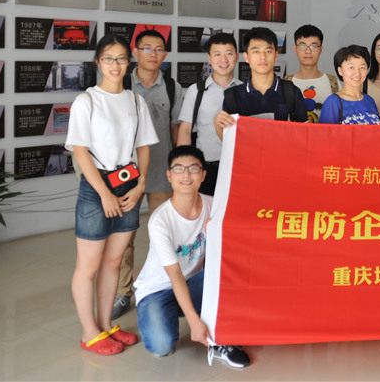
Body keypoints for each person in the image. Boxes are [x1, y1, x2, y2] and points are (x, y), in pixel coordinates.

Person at [65, 34, 158, 355]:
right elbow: (80, 151)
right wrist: (103, 192)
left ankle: (105, 325)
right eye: (108, 58)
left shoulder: (135, 101)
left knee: (113, 261)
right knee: (88, 265)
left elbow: (143, 146)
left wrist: (141, 184)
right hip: (96, 186)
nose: (115, 65)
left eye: (120, 58)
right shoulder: (87, 101)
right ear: (98, 62)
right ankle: (89, 332)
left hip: (128, 183)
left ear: (128, 62)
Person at [133, 145, 250, 368]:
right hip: (158, 289)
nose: (186, 175)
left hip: (193, 282)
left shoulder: (214, 205)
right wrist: (194, 323)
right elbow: (175, 276)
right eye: (178, 169)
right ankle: (169, 312)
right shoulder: (160, 221)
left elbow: (234, 247)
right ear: (169, 176)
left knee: (228, 272)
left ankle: (222, 337)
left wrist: (216, 235)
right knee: (161, 346)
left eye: (193, 169)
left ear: (203, 175)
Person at [112, 29, 182, 320]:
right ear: (135, 52)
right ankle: (121, 292)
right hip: (126, 175)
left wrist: (179, 168)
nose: (153, 54)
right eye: (147, 48)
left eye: (158, 49)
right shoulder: (122, 83)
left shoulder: (173, 87)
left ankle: (160, 287)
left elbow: (176, 130)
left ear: (164, 54)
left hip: (162, 173)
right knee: (123, 236)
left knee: (163, 235)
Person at [176, 32, 241, 196]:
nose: (223, 60)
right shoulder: (196, 91)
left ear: (237, 57)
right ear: (209, 59)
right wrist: (183, 166)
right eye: (217, 54)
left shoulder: (245, 91)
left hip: (238, 167)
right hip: (205, 167)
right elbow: (185, 130)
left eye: (229, 53)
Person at [215, 27, 308, 129]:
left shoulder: (291, 91)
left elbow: (305, 133)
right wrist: (218, 125)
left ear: (276, 56)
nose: (263, 57)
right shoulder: (232, 96)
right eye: (256, 51)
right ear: (246, 57)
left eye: (268, 51)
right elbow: (228, 137)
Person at [283, 24, 339, 122]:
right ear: (295, 49)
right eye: (302, 45)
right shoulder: (285, 83)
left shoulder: (334, 83)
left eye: (314, 46)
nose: (308, 51)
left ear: (321, 49)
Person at [319, 45, 380, 125]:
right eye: (351, 67)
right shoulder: (333, 102)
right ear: (340, 71)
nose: (357, 73)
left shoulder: (370, 100)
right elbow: (325, 132)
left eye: (362, 67)